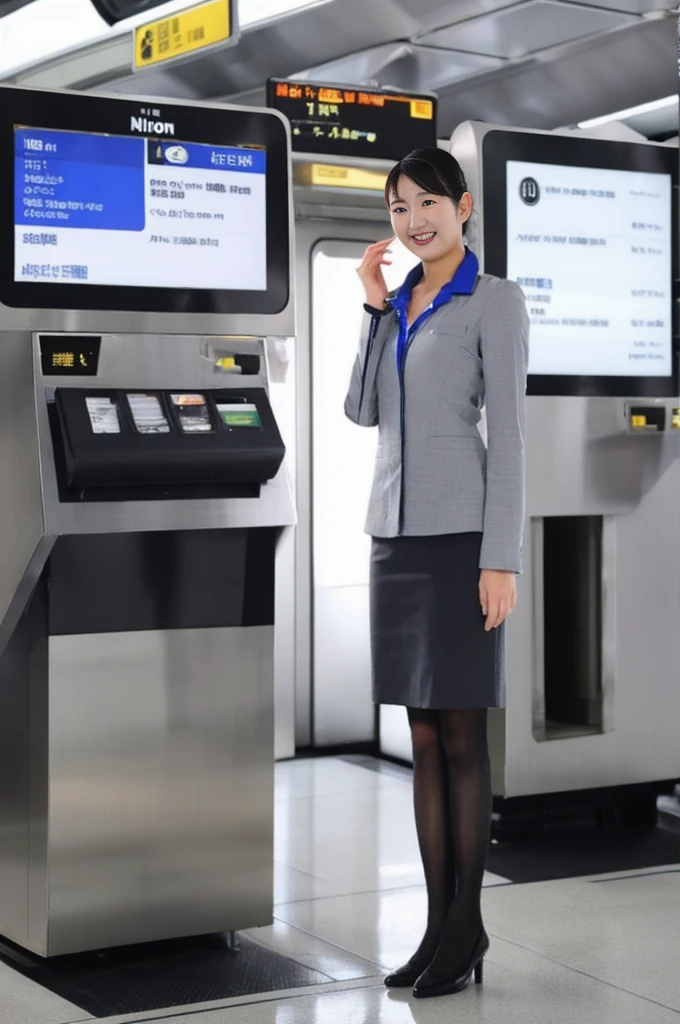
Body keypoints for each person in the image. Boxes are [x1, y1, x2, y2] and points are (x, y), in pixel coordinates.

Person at [345, 147, 529, 1000]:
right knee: (421, 737)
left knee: (460, 737)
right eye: (397, 208)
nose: (413, 221)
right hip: (397, 538)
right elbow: (361, 408)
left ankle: (467, 924)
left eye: (428, 203)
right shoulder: (402, 302)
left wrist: (501, 558)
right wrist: (373, 310)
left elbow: (514, 439)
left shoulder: (494, 300)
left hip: (462, 544)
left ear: (463, 209)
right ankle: (438, 922)